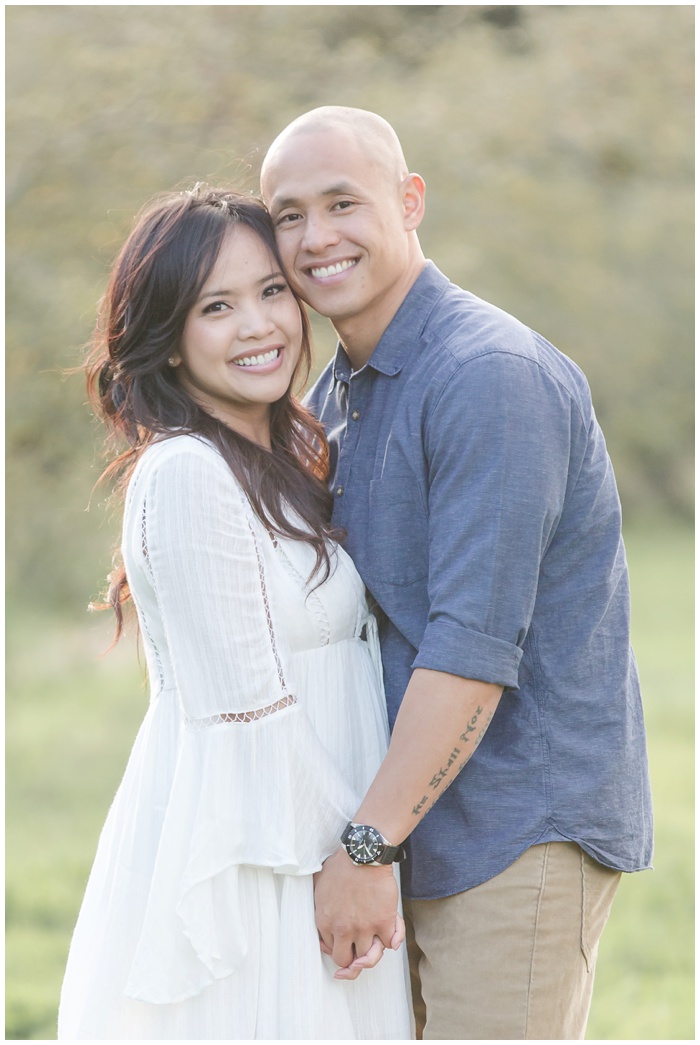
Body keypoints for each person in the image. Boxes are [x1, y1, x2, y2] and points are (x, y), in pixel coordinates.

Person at [260, 106, 654, 1040]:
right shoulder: (337, 395)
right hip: (410, 825)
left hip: (514, 829)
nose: (315, 238)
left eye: (342, 202)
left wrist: (364, 844)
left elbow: (471, 649)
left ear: (410, 200)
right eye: (287, 214)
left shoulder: (491, 377)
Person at [57, 186, 413, 1040]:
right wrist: (366, 854)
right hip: (263, 862)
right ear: (168, 340)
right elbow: (251, 722)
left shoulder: (288, 448)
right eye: (216, 306)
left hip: (325, 853)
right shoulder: (186, 475)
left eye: (270, 292)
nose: (258, 325)